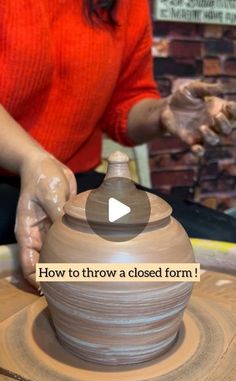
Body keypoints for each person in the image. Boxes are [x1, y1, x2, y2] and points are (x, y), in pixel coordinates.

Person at [0, 0, 236, 288]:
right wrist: (31, 158)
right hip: (17, 174)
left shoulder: (129, 6)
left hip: (73, 181)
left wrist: (162, 114)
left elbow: (124, 106)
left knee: (223, 239)